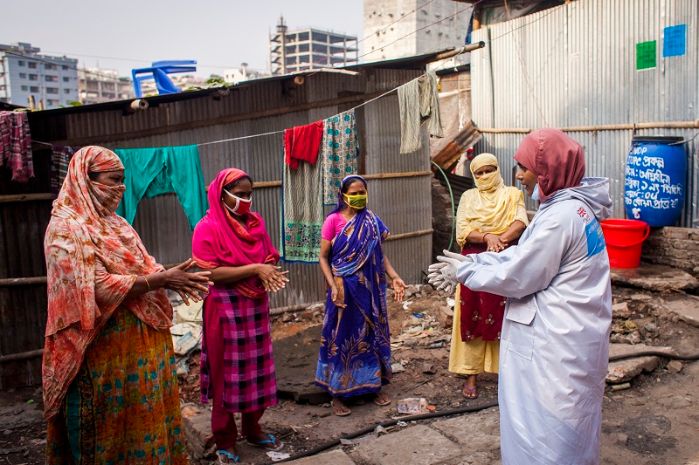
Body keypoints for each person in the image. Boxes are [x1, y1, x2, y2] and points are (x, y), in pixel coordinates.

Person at [429, 129, 612, 465]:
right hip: (572, 339)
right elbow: (523, 257)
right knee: (569, 428)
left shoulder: (559, 218)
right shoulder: (572, 209)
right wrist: (475, 261)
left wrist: (466, 272)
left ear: (547, 170)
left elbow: (521, 273)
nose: (518, 175)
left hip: (555, 348)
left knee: (546, 432)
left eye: (524, 167)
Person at [43, 146, 212, 464]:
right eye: (113, 180)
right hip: (102, 355)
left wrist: (170, 274)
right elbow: (94, 288)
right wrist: (163, 281)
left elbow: (146, 266)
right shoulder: (65, 230)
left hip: (143, 353)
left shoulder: (118, 224)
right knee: (108, 433)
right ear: (86, 180)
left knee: (146, 428)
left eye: (124, 181)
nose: (121, 189)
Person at [192, 168, 288, 464]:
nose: (246, 200)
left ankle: (252, 426)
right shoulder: (207, 228)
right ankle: (225, 437)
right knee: (226, 372)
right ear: (221, 195)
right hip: (224, 307)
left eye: (249, 194)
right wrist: (255, 269)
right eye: (240, 194)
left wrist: (269, 267)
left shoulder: (255, 223)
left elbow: (267, 254)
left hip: (254, 304)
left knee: (255, 369)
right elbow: (209, 272)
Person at [315, 175, 406, 417]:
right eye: (354, 192)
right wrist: (332, 284)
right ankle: (338, 393)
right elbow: (323, 257)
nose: (359, 196)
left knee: (371, 335)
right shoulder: (333, 221)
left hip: (372, 290)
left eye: (362, 191)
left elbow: (379, 253)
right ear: (343, 195)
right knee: (342, 337)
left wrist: (394, 276)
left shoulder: (372, 220)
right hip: (344, 288)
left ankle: (372, 386)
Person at [450, 153, 528, 399]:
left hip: (505, 257)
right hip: (474, 260)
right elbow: (463, 230)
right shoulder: (468, 197)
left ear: (498, 169)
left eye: (489, 170)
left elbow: (520, 221)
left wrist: (500, 240)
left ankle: (506, 373)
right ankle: (471, 374)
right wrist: (487, 238)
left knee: (506, 314)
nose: (484, 176)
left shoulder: (512, 194)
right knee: (471, 315)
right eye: (479, 173)